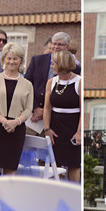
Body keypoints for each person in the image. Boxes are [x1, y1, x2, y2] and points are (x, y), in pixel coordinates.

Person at [0, 42, 32, 176]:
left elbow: (28, 109)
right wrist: (4, 121)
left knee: (10, 169)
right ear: (4, 59)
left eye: (15, 58)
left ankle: (6, 197)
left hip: (16, 130)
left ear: (20, 60)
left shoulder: (28, 84)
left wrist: (15, 122)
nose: (11, 61)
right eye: (8, 58)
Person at [26, 32, 81, 133]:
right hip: (32, 117)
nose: (56, 47)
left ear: (67, 47)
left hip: (55, 120)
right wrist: (35, 107)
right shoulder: (37, 60)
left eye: (60, 44)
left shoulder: (75, 68)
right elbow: (26, 85)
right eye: (54, 43)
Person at [42, 50, 82, 182]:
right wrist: (47, 129)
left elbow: (82, 110)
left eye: (54, 64)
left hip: (73, 128)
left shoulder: (79, 82)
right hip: (55, 128)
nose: (51, 66)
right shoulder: (51, 82)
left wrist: (79, 132)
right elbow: (47, 107)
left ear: (62, 64)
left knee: (73, 165)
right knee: (54, 164)